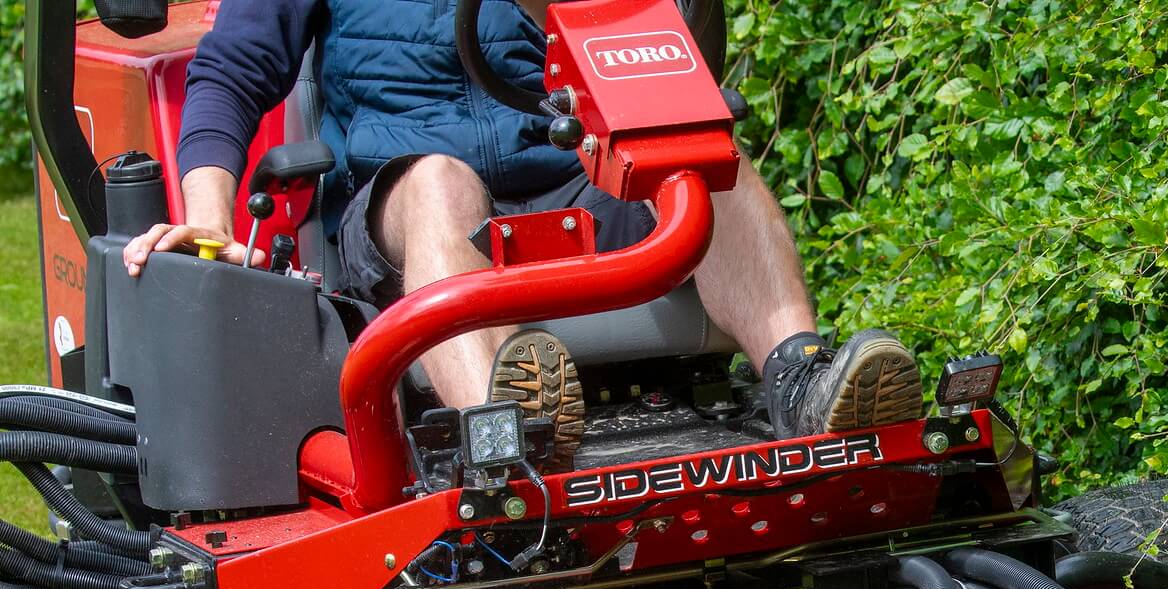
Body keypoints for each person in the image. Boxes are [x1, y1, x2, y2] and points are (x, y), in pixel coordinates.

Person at [121, 0, 921, 454]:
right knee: (441, 182)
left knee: (709, 157)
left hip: (570, 175)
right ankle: (501, 441)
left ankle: (800, 381)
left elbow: (672, 52)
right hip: (403, 196)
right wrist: (208, 223)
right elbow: (231, 72)